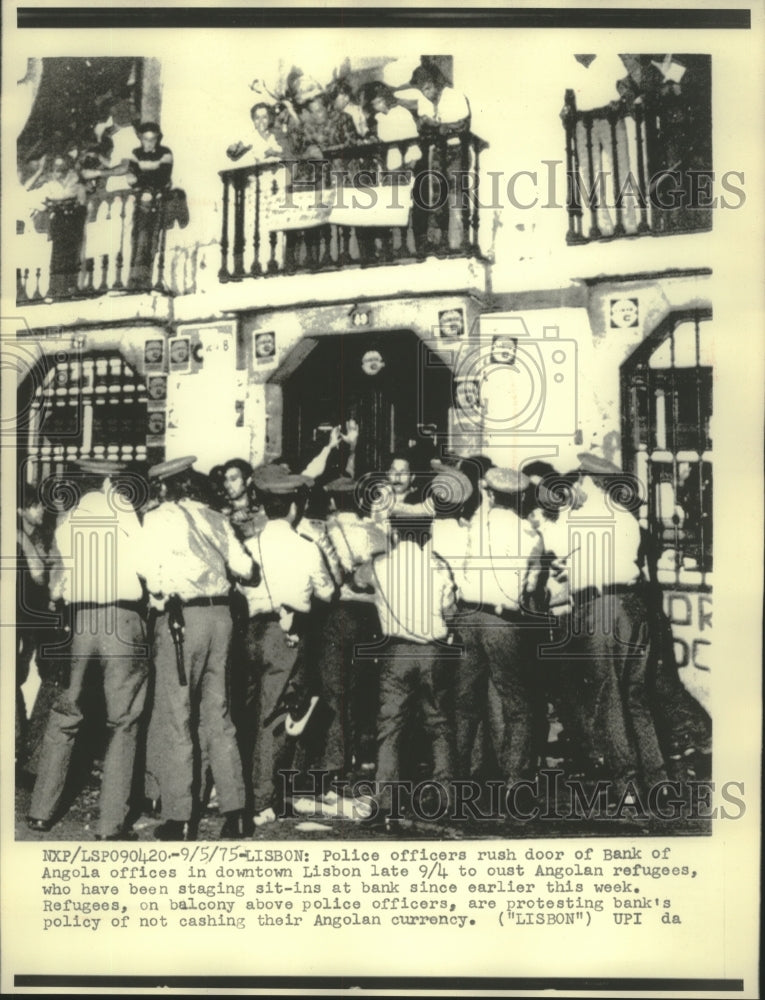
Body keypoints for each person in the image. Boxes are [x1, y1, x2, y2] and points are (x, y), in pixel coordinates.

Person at [28, 459, 149, 840]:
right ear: (111, 480)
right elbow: (145, 564)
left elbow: (61, 573)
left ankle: (40, 811)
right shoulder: (123, 509)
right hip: (121, 617)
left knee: (66, 711)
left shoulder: (70, 518)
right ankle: (111, 823)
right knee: (123, 720)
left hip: (81, 619)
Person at [141, 456, 259, 841]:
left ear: (165, 487)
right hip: (221, 618)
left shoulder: (158, 519)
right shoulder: (217, 518)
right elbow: (245, 569)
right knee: (219, 715)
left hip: (181, 620)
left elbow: (148, 572)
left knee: (177, 716)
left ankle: (179, 818)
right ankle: (236, 813)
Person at [542, 452, 667, 798]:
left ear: (586, 480)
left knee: (607, 696)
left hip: (599, 609)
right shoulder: (625, 516)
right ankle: (658, 781)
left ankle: (627, 785)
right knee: (636, 697)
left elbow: (550, 547)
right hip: (634, 606)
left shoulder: (576, 515)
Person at [238, 470, 336, 827]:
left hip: (249, 632)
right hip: (287, 634)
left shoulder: (249, 545)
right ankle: (264, 798)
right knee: (275, 717)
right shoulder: (306, 548)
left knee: (246, 712)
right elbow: (327, 592)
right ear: (295, 507)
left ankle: (238, 789)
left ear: (265, 507)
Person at [450, 467, 548, 798]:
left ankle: (455, 779)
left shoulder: (474, 527)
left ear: (489, 494)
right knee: (517, 703)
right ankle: (515, 780)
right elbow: (531, 587)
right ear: (519, 497)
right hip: (503, 621)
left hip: (467, 616)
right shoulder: (530, 535)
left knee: (464, 702)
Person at [361, 508, 457, 826]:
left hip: (396, 651)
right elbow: (450, 610)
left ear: (394, 532)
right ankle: (444, 797)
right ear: (426, 534)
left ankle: (385, 801)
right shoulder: (438, 566)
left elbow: (357, 580)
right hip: (433, 651)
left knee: (391, 726)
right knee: (439, 724)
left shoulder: (380, 565)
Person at [95, 121, 173, 289]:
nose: (149, 143)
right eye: (146, 139)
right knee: (135, 238)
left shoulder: (165, 154)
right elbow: (132, 176)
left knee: (147, 239)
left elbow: (163, 178)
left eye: (152, 139)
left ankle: (143, 278)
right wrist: (138, 180)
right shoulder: (136, 154)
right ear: (141, 139)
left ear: (157, 139)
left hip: (154, 200)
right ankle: (132, 278)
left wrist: (142, 181)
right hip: (139, 200)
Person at [406, 63, 471, 253]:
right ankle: (439, 241)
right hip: (437, 151)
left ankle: (457, 242)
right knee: (437, 195)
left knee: (456, 194)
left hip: (455, 150)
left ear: (437, 83)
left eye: (428, 88)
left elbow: (462, 124)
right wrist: (430, 124)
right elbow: (424, 125)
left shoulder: (454, 96)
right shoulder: (425, 101)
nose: (425, 94)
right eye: (422, 90)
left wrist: (444, 127)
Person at [29, 154, 88, 298]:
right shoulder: (49, 184)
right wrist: (52, 205)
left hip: (73, 219)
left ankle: (71, 286)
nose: (59, 170)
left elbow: (82, 201)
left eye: (62, 167)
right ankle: (54, 288)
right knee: (57, 253)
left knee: (72, 252)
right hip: (57, 219)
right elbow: (40, 200)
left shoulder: (76, 181)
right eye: (56, 167)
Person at [226, 102, 291, 165]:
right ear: (253, 120)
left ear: (270, 119)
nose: (261, 121)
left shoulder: (278, 135)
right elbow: (234, 155)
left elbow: (291, 156)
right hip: (262, 171)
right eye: (257, 118)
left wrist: (275, 153)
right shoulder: (251, 138)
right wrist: (232, 150)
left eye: (264, 117)